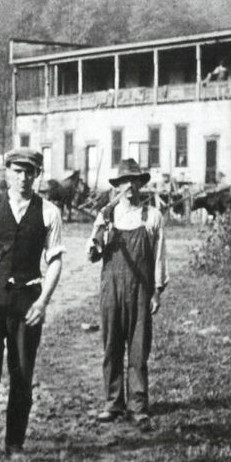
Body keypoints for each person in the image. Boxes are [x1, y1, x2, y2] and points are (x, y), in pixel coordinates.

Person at [0, 147, 64, 460]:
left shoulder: (48, 212)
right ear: (7, 172)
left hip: (27, 302)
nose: (23, 178)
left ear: (37, 175)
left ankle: (15, 442)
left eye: (29, 172)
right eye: (17, 171)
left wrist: (43, 302)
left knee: (21, 372)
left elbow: (56, 259)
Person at [88, 159, 168, 432]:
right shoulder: (107, 215)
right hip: (112, 290)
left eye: (135, 180)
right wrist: (102, 238)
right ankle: (113, 403)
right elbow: (92, 254)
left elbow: (159, 258)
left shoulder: (152, 216)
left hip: (140, 292)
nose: (130, 186)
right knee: (111, 346)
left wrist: (156, 291)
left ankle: (138, 405)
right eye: (124, 181)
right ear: (118, 186)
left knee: (138, 349)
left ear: (141, 184)